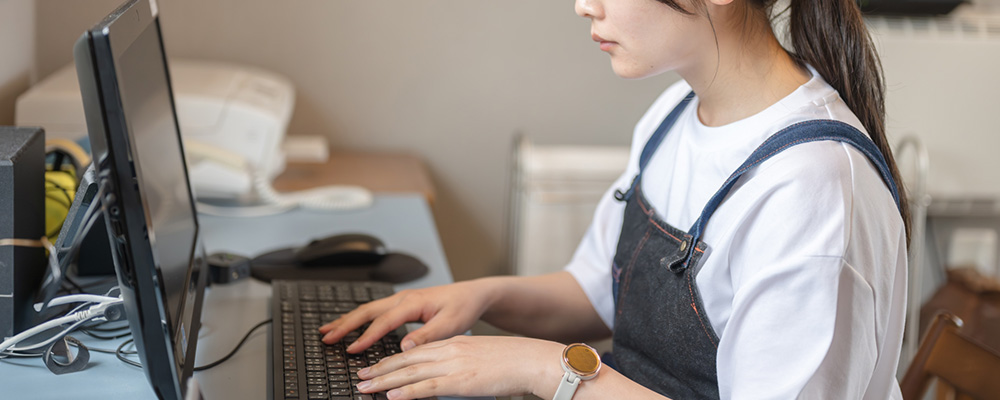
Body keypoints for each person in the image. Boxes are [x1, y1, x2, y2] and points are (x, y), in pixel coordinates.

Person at [319, 0, 911, 398]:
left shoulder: (814, 190)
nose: (583, 5)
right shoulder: (674, 115)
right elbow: (597, 292)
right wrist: (479, 295)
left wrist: (539, 366)